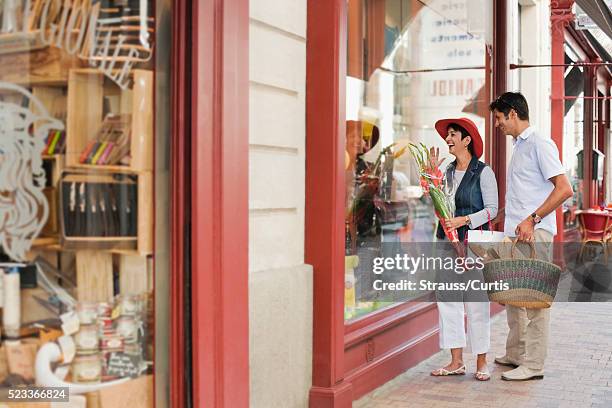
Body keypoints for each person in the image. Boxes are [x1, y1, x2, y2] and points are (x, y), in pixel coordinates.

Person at [489, 92, 573, 381]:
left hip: (534, 234)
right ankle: (516, 353)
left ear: (513, 113)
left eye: (499, 118)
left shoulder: (539, 143)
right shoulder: (519, 146)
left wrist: (532, 218)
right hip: (517, 233)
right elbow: (527, 192)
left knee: (535, 301)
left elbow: (564, 189)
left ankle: (534, 365)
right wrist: (503, 214)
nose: (497, 124)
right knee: (514, 297)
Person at [429, 117, 498, 381]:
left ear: (467, 140)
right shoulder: (446, 171)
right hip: (447, 243)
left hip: (473, 246)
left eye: (453, 134)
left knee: (476, 303)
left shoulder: (484, 172)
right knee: (448, 302)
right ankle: (456, 360)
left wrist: (464, 220)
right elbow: (439, 203)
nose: (448, 139)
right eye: (447, 134)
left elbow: (492, 209)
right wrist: (431, 180)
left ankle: (482, 360)